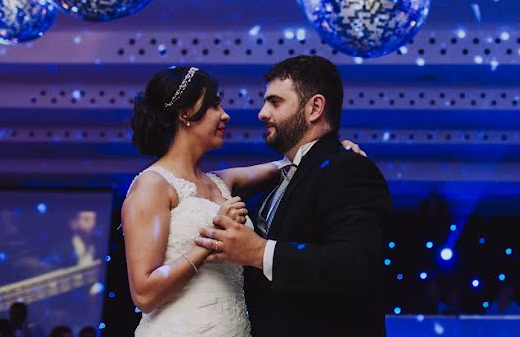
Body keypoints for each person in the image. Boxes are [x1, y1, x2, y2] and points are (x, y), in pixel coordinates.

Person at [121, 65, 367, 336]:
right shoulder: (152, 185)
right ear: (186, 113)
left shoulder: (221, 182)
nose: (225, 115)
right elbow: (144, 294)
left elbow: (289, 163)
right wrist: (212, 242)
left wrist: (336, 150)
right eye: (214, 105)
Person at [194, 55, 393, 337]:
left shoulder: (349, 168)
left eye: (275, 102)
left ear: (314, 108)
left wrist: (259, 252)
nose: (261, 113)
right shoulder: (285, 178)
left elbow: (355, 264)